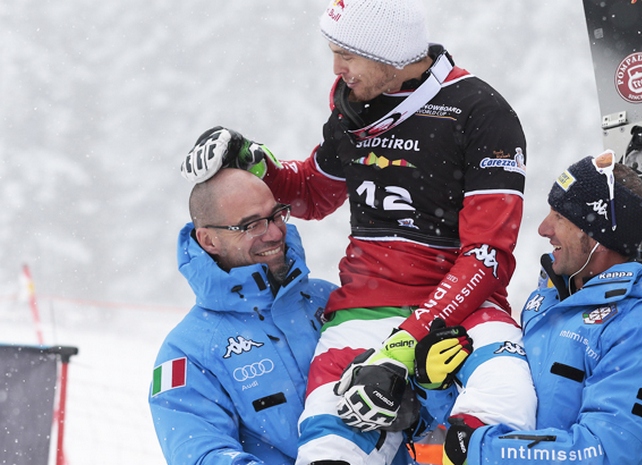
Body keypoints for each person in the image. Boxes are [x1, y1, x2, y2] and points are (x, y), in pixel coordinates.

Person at [178, 0, 536, 463]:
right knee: (329, 447)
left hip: (465, 306)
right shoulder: (355, 108)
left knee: (507, 402)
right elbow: (311, 192)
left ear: (390, 51)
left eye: (347, 54)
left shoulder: (480, 112)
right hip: (363, 311)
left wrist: (408, 343)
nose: (336, 67)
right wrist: (252, 158)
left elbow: (489, 256)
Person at [442, 151, 642, 465]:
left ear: (599, 235)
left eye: (560, 216)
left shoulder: (640, 327)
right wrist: (436, 388)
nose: (544, 228)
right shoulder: (549, 298)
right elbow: (509, 409)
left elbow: (606, 452)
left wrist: (482, 448)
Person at [148, 168, 336, 464]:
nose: (274, 233)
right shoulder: (185, 352)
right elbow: (202, 456)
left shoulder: (329, 300)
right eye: (252, 225)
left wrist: (416, 405)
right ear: (209, 241)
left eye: (276, 215)